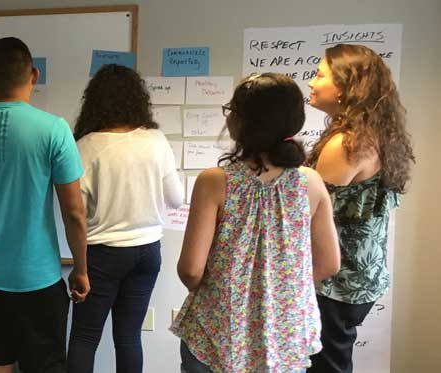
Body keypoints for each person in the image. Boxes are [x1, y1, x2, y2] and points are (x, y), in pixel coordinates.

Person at [170, 73, 341, 372]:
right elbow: (329, 264)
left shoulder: (215, 182)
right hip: (284, 335)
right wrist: (278, 285)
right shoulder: (310, 183)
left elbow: (190, 269)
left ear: (242, 122)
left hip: (219, 330)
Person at [0, 37, 89, 373]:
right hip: (39, 277)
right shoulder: (54, 129)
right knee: (46, 366)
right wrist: (80, 269)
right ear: (34, 75)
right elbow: (74, 212)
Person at [66, 64, 184, 373]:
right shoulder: (155, 140)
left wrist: (79, 267)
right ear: (137, 99)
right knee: (129, 337)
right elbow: (176, 199)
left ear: (94, 102)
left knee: (84, 337)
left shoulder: (85, 147)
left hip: (102, 253)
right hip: (148, 251)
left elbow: (76, 212)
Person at [306, 44, 415, 373]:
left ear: (345, 86)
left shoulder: (346, 143)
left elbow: (309, 214)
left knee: (327, 366)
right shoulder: (374, 134)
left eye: (320, 74)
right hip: (359, 279)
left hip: (335, 283)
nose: (311, 82)